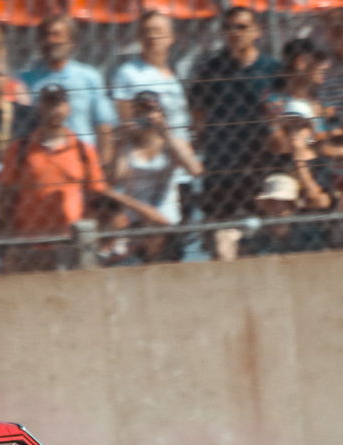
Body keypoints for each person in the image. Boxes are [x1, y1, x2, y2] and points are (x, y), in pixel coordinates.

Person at [189, 8, 283, 232]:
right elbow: (198, 116)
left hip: (261, 164)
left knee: (265, 231)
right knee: (221, 231)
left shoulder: (272, 69)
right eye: (228, 27)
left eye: (242, 27)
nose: (234, 32)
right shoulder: (210, 70)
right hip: (222, 166)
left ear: (257, 31)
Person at [0, 84, 106, 271]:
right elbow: (6, 196)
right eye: (48, 104)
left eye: (58, 104)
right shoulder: (20, 149)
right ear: (40, 108)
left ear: (68, 108)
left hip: (72, 242)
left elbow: (96, 196)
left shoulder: (83, 150)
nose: (53, 110)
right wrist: (10, 240)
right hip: (30, 243)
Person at [107, 91, 201, 261]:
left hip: (167, 219)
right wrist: (122, 141)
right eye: (139, 113)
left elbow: (195, 170)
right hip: (137, 220)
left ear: (160, 113)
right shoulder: (127, 145)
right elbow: (115, 178)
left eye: (149, 111)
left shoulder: (172, 143)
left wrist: (165, 133)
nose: (144, 117)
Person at [20, 15, 117, 156]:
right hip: (41, 157)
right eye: (45, 35)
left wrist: (104, 161)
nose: (50, 40)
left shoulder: (89, 77)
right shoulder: (26, 80)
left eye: (56, 35)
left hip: (81, 157)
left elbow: (103, 124)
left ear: (71, 41)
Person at [111, 12, 190, 141]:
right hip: (149, 147)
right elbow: (125, 122)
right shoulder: (128, 73)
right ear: (139, 37)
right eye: (146, 31)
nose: (151, 36)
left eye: (158, 31)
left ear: (171, 37)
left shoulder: (175, 74)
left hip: (180, 144)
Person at [240, 171, 326, 256]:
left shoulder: (307, 234)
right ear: (266, 206)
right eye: (273, 203)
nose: (279, 209)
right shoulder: (256, 235)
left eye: (286, 203)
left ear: (293, 207)